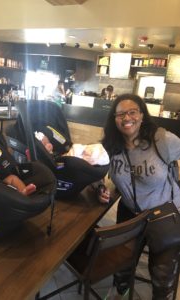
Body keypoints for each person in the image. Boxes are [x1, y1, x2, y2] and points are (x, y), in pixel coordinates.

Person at [99, 93, 180, 299]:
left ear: (142, 115)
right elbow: (107, 176)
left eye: (132, 112)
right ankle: (121, 291)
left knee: (162, 277)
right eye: (120, 114)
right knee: (122, 264)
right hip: (130, 214)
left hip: (163, 216)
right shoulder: (110, 146)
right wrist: (102, 187)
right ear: (114, 119)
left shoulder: (162, 140)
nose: (126, 118)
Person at [35, 132, 110, 166]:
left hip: (65, 158)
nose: (48, 144)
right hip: (56, 160)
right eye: (44, 144)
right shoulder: (45, 155)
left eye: (47, 141)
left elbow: (76, 149)